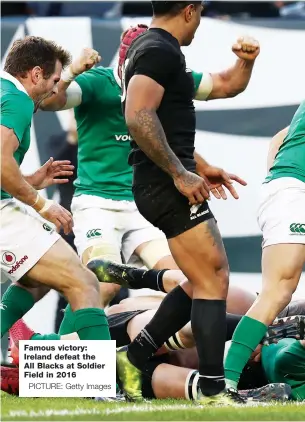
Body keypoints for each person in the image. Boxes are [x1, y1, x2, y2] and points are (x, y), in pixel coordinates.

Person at [40, 22, 250, 306]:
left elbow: (226, 85)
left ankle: (133, 351)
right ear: (125, 60)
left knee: (184, 283)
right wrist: (72, 71)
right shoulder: (97, 82)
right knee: (104, 285)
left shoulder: (165, 77)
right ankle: (59, 349)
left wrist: (246, 60)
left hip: (141, 206)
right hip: (98, 204)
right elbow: (50, 102)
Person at [118, 1, 259, 404]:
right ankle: (214, 387)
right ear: (190, 10)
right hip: (166, 185)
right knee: (214, 277)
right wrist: (180, 173)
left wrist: (245, 63)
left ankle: (137, 356)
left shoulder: (162, 52)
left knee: (201, 280)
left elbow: (226, 85)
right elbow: (138, 115)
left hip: (164, 182)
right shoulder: (158, 50)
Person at [0, 36, 111, 345]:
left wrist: (29, 180)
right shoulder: (18, 99)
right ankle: (96, 387)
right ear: (35, 74)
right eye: (54, 80)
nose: (54, 90)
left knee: (37, 280)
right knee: (85, 282)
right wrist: (41, 203)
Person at [224, 103, 305, 393]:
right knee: (280, 289)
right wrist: (283, 183)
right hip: (295, 190)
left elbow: (280, 136)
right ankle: (223, 385)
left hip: (290, 189)